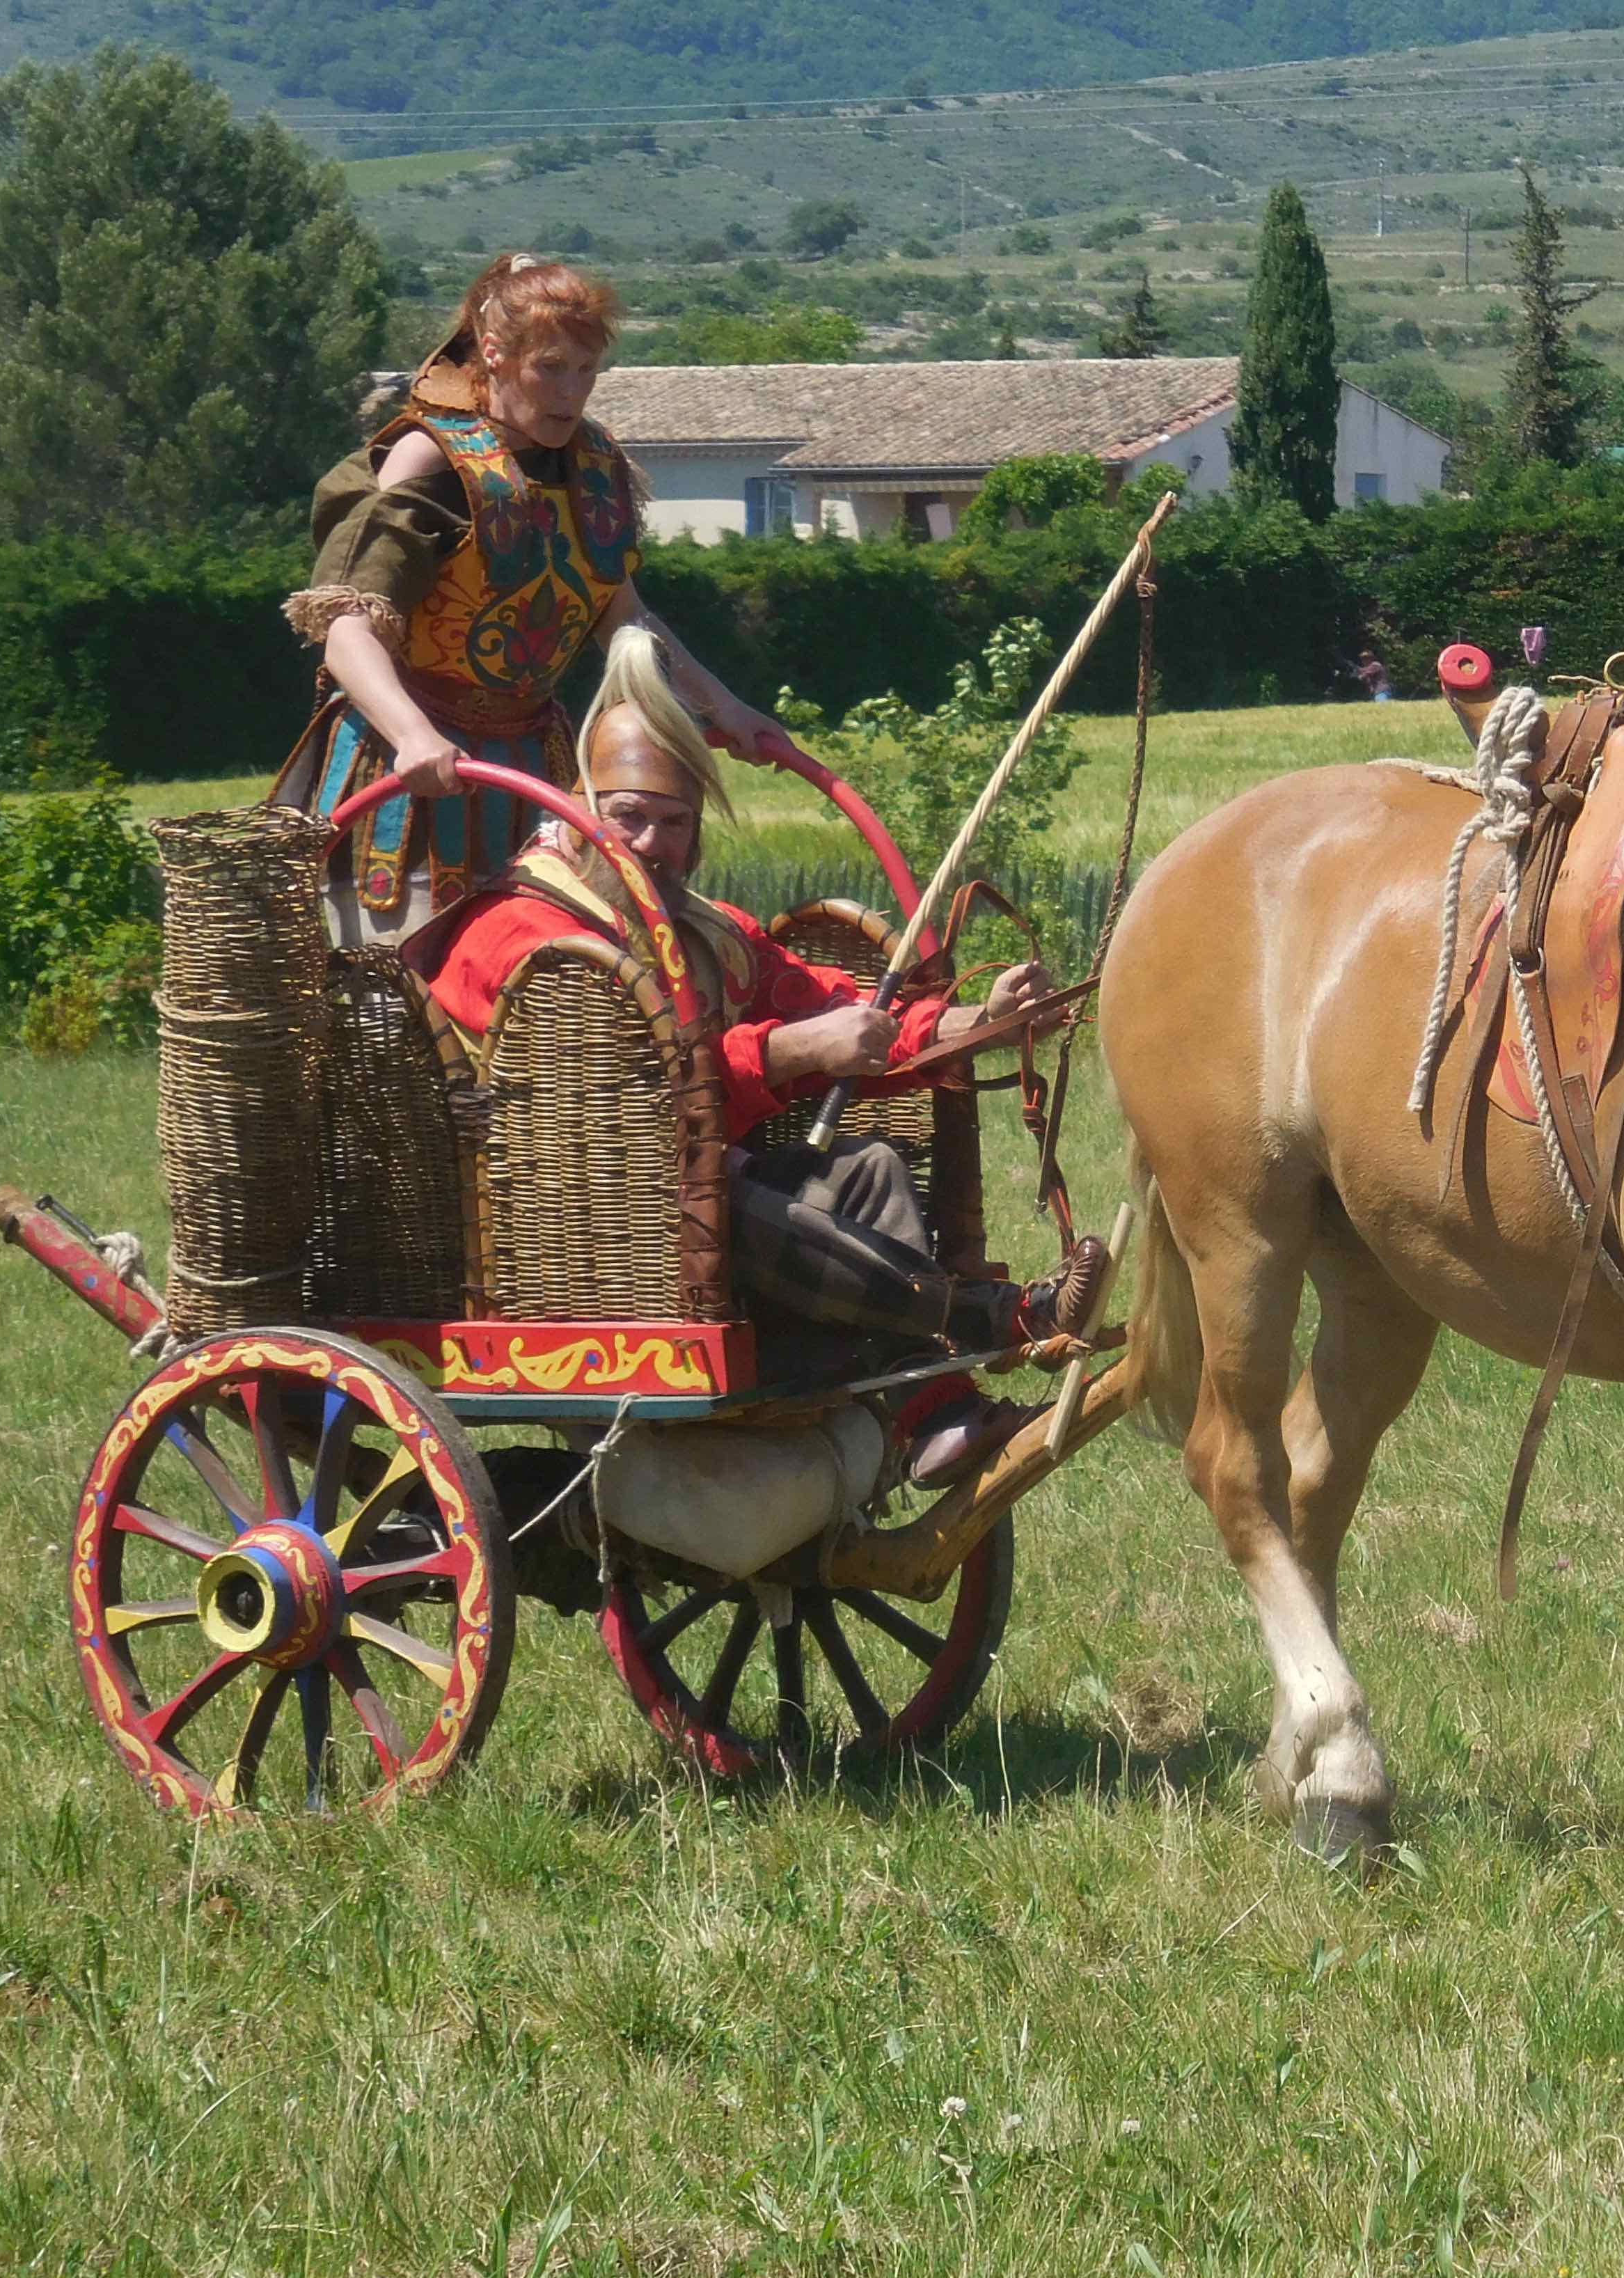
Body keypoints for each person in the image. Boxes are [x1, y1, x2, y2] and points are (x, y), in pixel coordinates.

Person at [419, 625, 1110, 1483]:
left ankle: (932, 1413)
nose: (650, 844)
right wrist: (784, 1052)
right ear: (582, 809)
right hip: (580, 1224)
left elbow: (839, 1008)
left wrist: (980, 1020)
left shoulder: (707, 931)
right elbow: (627, 1093)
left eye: (674, 823)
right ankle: (993, 1318)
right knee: (726, 1197)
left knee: (869, 1171)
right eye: (627, 818)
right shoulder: (516, 931)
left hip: (701, 1204)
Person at [276, 251, 784, 942]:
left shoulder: (595, 465)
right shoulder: (430, 458)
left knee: (544, 970)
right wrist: (413, 735)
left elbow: (625, 618)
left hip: (532, 773)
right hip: (409, 776)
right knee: (404, 985)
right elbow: (345, 628)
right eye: (551, 367)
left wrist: (727, 708)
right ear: (494, 353)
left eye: (586, 371)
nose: (570, 393)